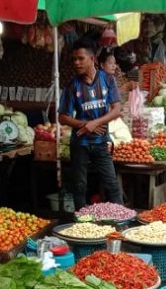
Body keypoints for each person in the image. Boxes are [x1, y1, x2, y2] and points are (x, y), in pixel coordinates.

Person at [58, 38, 123, 210]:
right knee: (79, 187)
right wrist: (84, 125)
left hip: (101, 142)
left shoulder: (108, 80)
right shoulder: (72, 85)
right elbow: (62, 117)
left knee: (112, 185)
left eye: (80, 58)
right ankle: (81, 224)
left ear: (92, 59)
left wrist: (95, 123)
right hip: (80, 144)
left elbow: (117, 110)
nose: (76, 63)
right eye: (74, 59)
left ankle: (123, 220)